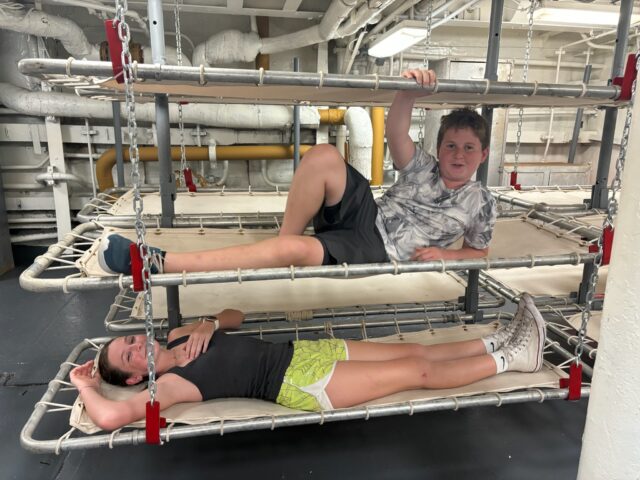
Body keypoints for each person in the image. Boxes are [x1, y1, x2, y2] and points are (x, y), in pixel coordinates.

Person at [97, 68, 496, 276]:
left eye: (468, 148)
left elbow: (479, 251)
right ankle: (284, 246)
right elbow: (395, 132)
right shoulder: (424, 167)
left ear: (482, 154)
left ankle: (156, 263)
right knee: (323, 154)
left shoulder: (481, 202)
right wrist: (408, 90)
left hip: (381, 250)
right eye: (451, 145)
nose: (457, 155)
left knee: (293, 251)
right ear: (440, 146)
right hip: (369, 214)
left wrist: (446, 253)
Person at [70, 294, 545, 431]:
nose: (138, 346)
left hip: (306, 351)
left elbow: (236, 314)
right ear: (137, 376)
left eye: (132, 339)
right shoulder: (169, 387)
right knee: (415, 374)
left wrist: (209, 323)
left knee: (415, 350)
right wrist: (83, 384)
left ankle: (496, 339)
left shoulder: (179, 335)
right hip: (299, 382)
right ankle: (512, 359)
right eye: (130, 356)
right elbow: (112, 416)